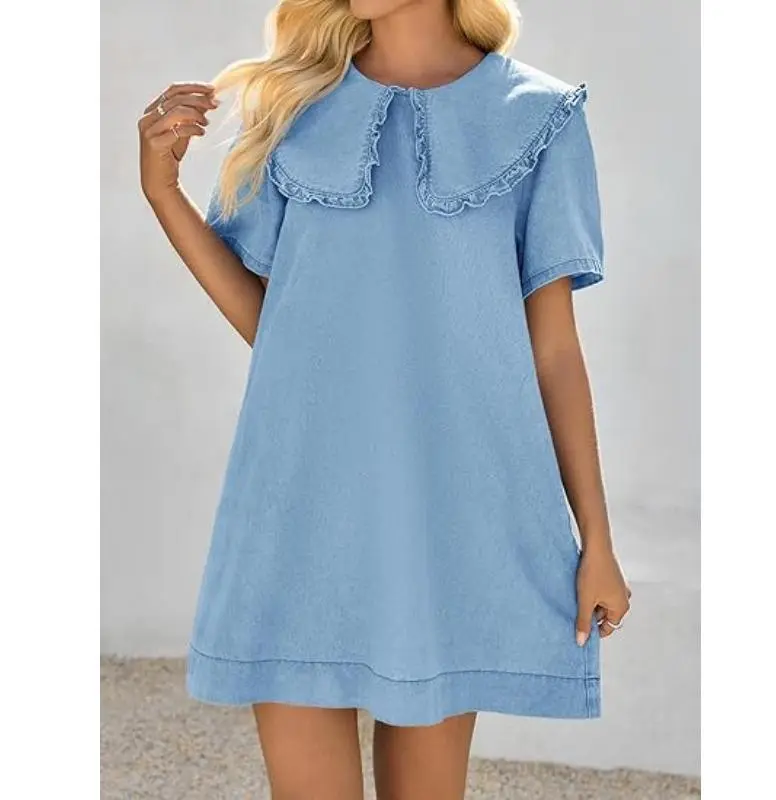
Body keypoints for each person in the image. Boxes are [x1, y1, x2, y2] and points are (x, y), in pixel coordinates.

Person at [138, 1, 631, 798]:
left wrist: (596, 539)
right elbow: (279, 327)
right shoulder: (293, 107)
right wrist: (164, 192)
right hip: (298, 505)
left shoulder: (539, 117)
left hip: (448, 514)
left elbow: (554, 352)